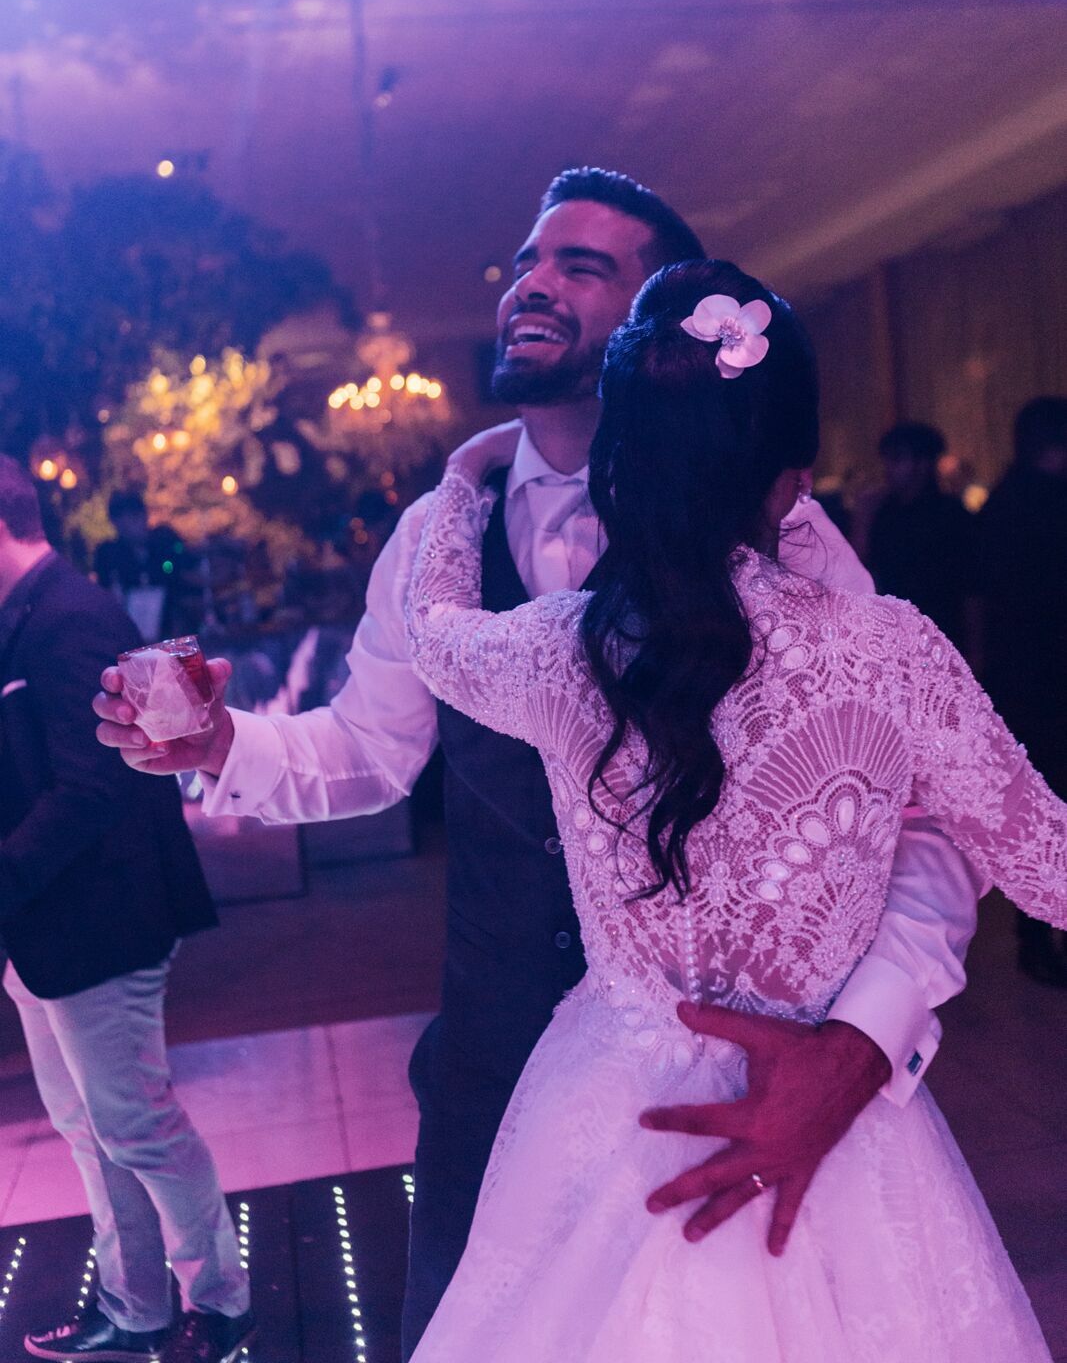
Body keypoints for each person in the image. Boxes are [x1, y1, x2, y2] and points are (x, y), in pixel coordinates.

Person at [94, 170, 981, 1358]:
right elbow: (371, 747)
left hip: (745, 1090)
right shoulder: (436, 532)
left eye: (582, 266)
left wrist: (860, 1041)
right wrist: (218, 743)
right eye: (527, 260)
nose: (533, 282)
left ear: (658, 325)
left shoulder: (785, 538)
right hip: (500, 1080)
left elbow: (919, 818)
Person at [402, 262, 1063, 1361]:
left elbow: (431, 627)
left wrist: (464, 483)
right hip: (838, 1135)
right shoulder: (885, 649)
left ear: (611, 470)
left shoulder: (553, 653)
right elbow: (1049, 865)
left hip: (605, 1109)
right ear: (793, 477)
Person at [0, 456, 253, 1363]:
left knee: (137, 1122)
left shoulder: (65, 620)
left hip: (99, 914)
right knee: (92, 1126)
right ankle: (136, 1303)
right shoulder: (35, 615)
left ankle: (221, 1303)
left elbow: (97, 789)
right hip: (54, 923)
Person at [977, 397, 1067, 987]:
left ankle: (1036, 936)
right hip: (1048, 672)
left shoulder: (1002, 504)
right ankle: (1043, 935)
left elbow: (980, 597)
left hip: (1022, 674)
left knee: (1038, 807)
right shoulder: (1041, 503)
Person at [865, 421, 976, 648]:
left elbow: (973, 586)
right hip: (894, 634)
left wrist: (976, 647)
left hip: (944, 632)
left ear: (923, 464)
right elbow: (862, 569)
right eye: (886, 459)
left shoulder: (951, 515)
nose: (887, 468)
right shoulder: (883, 512)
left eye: (896, 459)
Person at [94, 491, 194, 642]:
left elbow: (183, 574)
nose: (131, 526)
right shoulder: (108, 553)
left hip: (170, 630)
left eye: (135, 517)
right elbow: (107, 592)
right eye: (122, 521)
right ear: (115, 523)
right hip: (128, 633)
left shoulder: (163, 542)